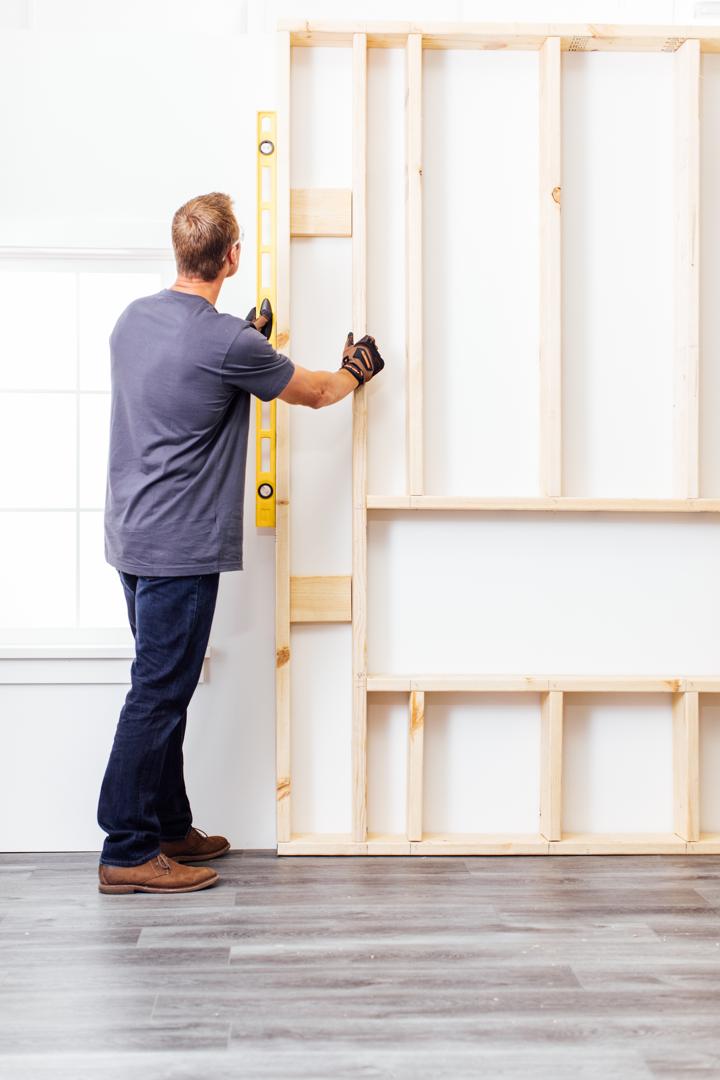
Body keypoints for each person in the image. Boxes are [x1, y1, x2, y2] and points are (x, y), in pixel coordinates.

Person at [96, 192, 384, 895]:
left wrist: (248, 335)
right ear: (230, 256)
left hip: (132, 539)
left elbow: (183, 380)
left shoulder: (133, 322)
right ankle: (128, 848)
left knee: (163, 687)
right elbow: (315, 392)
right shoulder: (229, 344)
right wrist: (356, 369)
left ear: (180, 251)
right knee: (157, 694)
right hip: (179, 549)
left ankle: (167, 825)